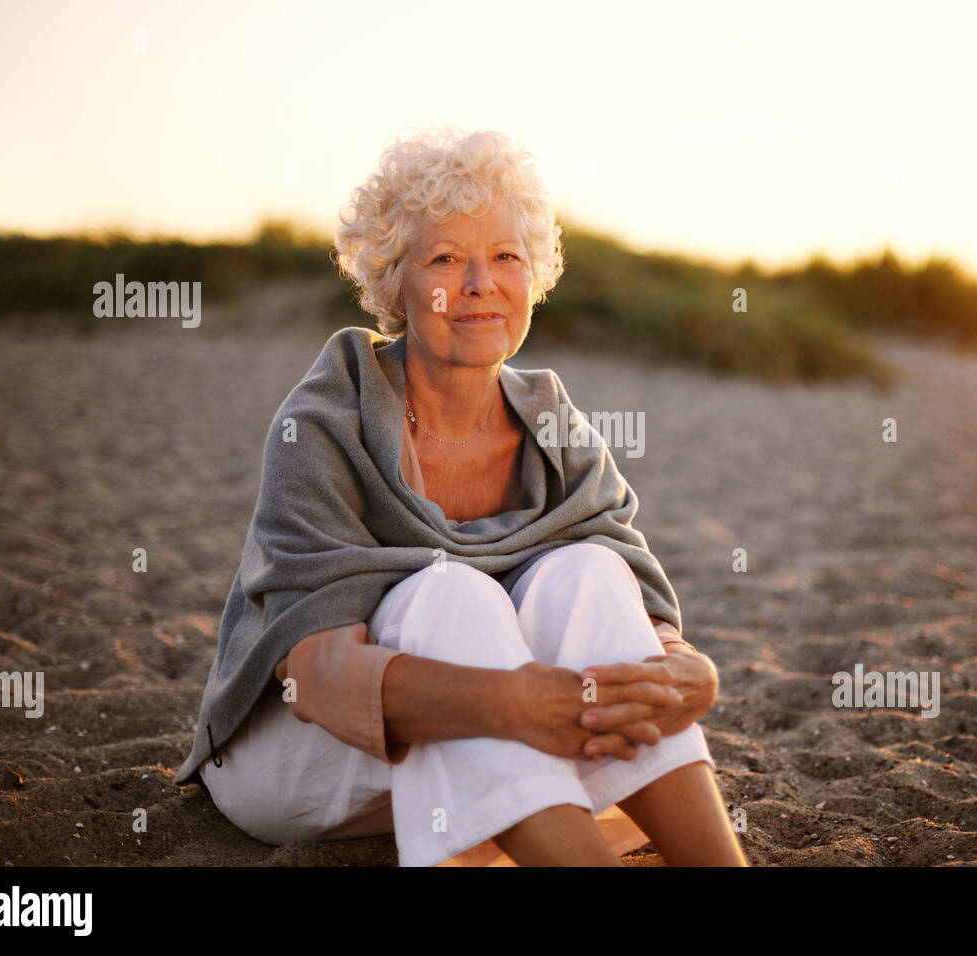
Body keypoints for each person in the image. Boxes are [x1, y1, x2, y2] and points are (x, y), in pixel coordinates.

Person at [175, 126, 746, 866]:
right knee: (452, 597)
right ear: (396, 282)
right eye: (445, 258)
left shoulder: (552, 421)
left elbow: (630, 608)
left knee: (589, 573)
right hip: (300, 758)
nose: (480, 283)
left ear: (531, 275)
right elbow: (315, 677)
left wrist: (687, 670)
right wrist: (511, 705)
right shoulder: (325, 421)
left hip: (507, 744)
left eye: (505, 256)